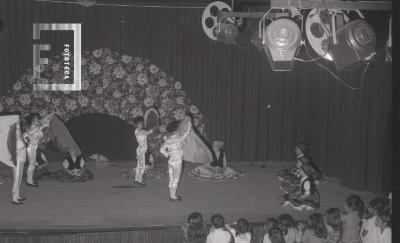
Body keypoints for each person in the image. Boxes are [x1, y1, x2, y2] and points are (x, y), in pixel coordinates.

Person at [160, 115, 191, 201]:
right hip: (177, 163)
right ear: (177, 130)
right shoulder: (179, 139)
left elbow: (161, 150)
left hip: (170, 161)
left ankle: (172, 194)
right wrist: (189, 124)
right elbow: (187, 133)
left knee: (172, 178)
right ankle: (173, 196)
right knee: (176, 179)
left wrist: (168, 154)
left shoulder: (168, 140)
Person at [22, 112, 53, 187]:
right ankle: (29, 181)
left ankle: (31, 178)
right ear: (32, 121)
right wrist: (43, 126)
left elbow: (44, 119)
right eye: (36, 119)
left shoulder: (36, 126)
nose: (38, 120)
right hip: (31, 148)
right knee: (31, 165)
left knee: (34, 164)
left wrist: (52, 113)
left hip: (34, 147)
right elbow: (31, 131)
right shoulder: (32, 128)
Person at [133, 116, 153, 186]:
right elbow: (146, 133)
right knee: (142, 166)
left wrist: (152, 130)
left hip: (141, 149)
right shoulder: (139, 131)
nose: (141, 125)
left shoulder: (138, 131)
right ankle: (140, 181)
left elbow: (146, 133)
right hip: (141, 150)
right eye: (139, 124)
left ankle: (136, 179)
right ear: (136, 124)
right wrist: (153, 129)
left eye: (142, 123)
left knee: (139, 165)